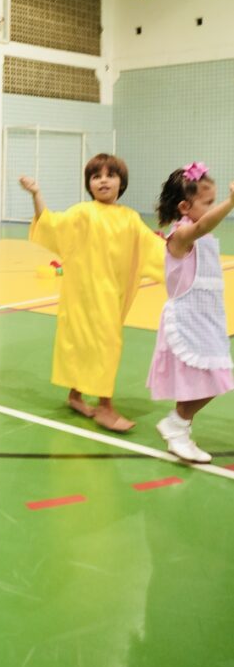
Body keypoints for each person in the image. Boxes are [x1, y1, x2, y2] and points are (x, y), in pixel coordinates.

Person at [20, 153, 164, 432]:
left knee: (95, 347)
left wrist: (182, 248)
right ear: (89, 183)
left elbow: (153, 250)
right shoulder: (82, 213)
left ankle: (75, 396)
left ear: (121, 182)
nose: (103, 181)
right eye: (96, 176)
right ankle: (105, 407)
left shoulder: (130, 218)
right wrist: (36, 194)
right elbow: (50, 224)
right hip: (83, 297)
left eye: (110, 175)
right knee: (103, 348)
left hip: (110, 297)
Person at [148, 163, 234, 462]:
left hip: (206, 319)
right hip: (187, 320)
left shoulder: (203, 239)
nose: (212, 209)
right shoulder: (181, 236)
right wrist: (231, 203)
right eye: (207, 203)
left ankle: (178, 425)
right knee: (214, 376)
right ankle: (177, 426)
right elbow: (202, 226)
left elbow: (206, 228)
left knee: (210, 378)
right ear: (185, 206)